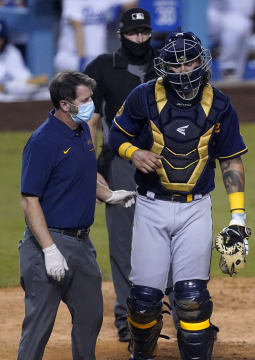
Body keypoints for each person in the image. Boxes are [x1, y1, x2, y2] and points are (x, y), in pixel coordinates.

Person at [108, 31, 249, 360]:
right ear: (165, 66)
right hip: (151, 207)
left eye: (191, 62)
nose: (185, 70)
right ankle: (141, 354)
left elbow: (231, 160)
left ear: (203, 62)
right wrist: (134, 153)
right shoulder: (144, 96)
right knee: (143, 301)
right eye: (177, 64)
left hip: (195, 209)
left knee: (191, 298)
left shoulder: (221, 105)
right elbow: (117, 135)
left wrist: (238, 218)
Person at [17, 70, 136, 359]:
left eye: (90, 98)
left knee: (91, 317)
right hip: (50, 243)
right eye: (84, 100)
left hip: (83, 245)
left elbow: (83, 173)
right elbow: (29, 200)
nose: (91, 104)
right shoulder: (43, 141)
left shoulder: (82, 131)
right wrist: (49, 250)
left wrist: (108, 195)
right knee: (39, 326)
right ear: (64, 104)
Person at [82, 7, 157, 343]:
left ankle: (167, 303)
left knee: (170, 233)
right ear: (120, 35)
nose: (139, 39)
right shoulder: (101, 68)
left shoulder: (166, 62)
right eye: (133, 34)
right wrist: (87, 162)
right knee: (123, 241)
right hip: (121, 163)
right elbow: (91, 120)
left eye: (144, 33)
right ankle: (128, 315)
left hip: (166, 162)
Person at [54, 0, 136, 72]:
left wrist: (119, 7)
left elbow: (131, 2)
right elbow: (78, 28)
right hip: (72, 58)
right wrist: (82, 61)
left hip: (97, 58)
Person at [207, 0, 255, 81]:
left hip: (239, 19)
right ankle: (227, 69)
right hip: (214, 17)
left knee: (243, 25)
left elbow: (247, 11)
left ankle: (231, 73)